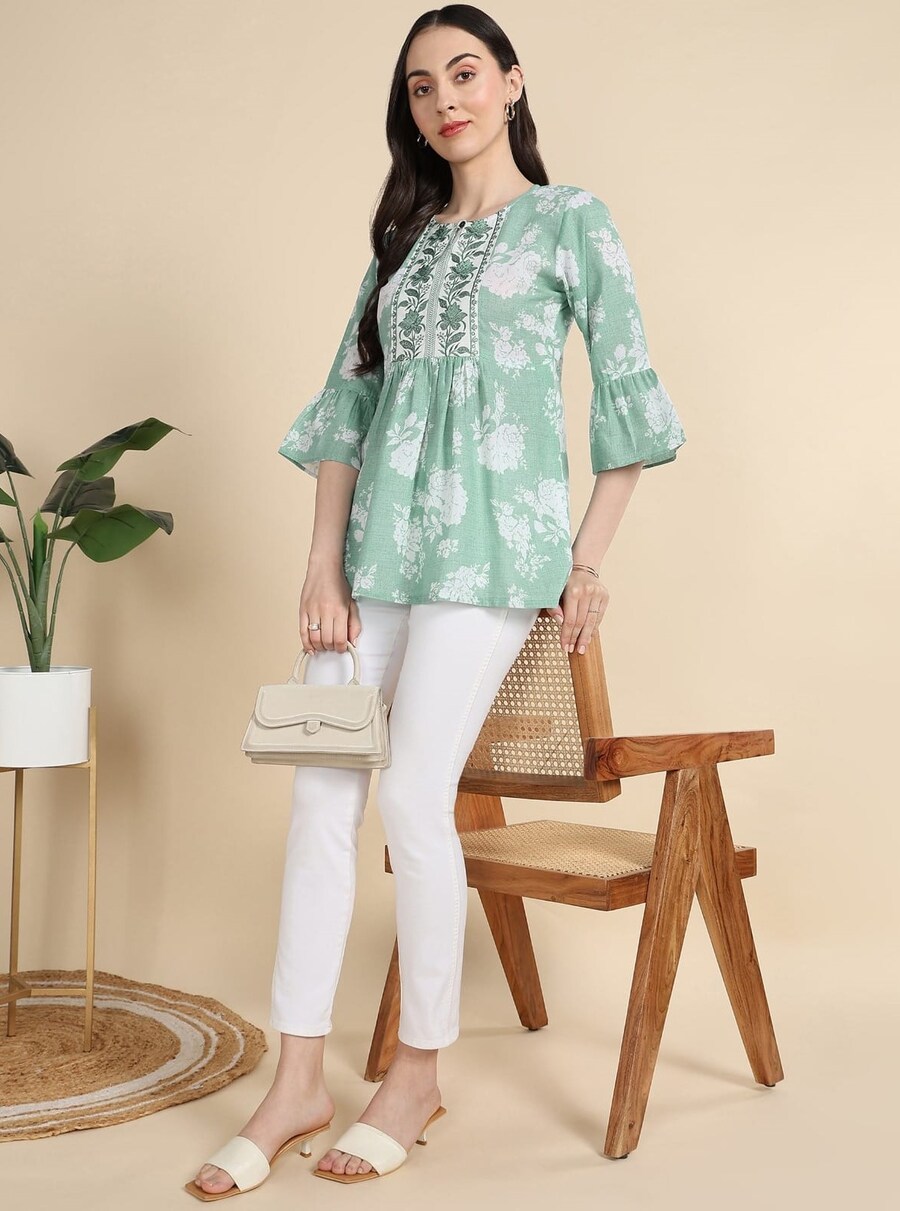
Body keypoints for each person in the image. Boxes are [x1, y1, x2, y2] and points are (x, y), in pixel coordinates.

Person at [187, 4, 686, 1197]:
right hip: (368, 567)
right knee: (318, 798)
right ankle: (296, 1079)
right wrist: (320, 567)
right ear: (410, 112)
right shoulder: (400, 243)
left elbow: (629, 395)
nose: (446, 98)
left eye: (465, 73)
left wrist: (585, 559)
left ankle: (417, 1073)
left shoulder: (571, 220)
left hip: (487, 560)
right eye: (422, 86)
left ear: (511, 82)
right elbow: (345, 412)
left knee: (414, 795)